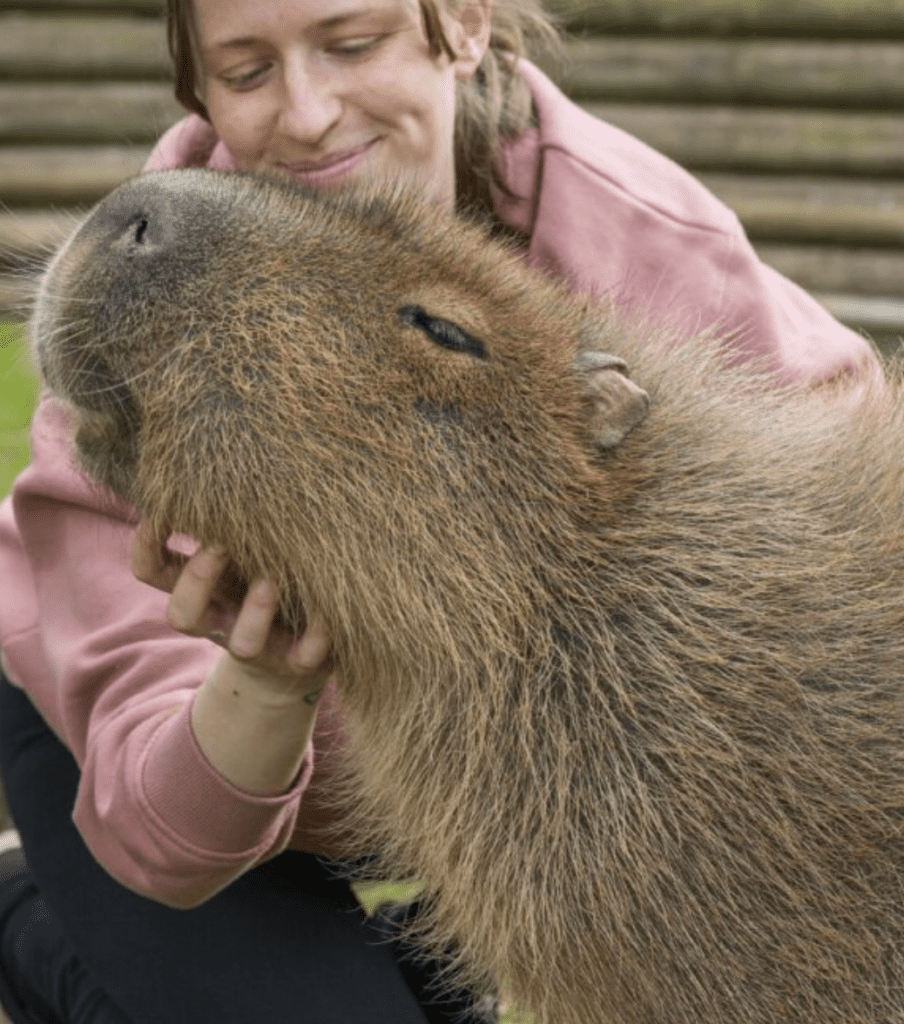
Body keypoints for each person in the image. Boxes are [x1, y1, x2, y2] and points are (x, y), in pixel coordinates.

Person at [0, 0, 879, 1021]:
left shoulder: (640, 238)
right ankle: (34, 933)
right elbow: (165, 845)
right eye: (245, 71)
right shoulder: (144, 328)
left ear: (459, 24)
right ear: (200, 92)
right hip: (161, 773)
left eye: (352, 44)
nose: (309, 112)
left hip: (445, 804)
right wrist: (262, 681)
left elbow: (851, 494)